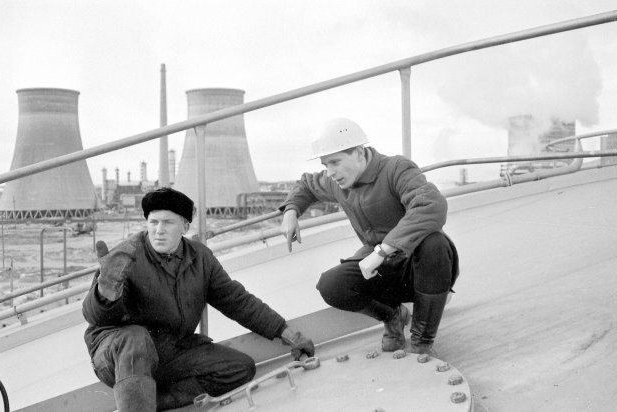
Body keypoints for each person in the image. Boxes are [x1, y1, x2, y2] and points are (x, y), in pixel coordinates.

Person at [83, 187, 315, 412]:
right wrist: (106, 292)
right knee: (135, 338)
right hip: (118, 354)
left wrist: (285, 332)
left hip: (168, 349)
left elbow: (236, 301)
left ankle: (151, 402)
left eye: (168, 223)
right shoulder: (125, 255)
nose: (159, 230)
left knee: (239, 368)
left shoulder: (200, 257)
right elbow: (95, 318)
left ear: (184, 226)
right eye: (153, 222)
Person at [279, 118, 459, 356]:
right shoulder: (337, 182)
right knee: (331, 285)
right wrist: (291, 211)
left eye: (335, 162)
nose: (330, 172)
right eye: (326, 165)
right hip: (384, 268)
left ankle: (422, 342)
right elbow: (307, 184)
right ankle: (394, 317)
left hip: (420, 269)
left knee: (435, 244)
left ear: (360, 153)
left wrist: (382, 251)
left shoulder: (396, 168)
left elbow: (431, 205)